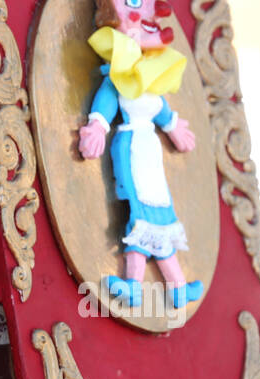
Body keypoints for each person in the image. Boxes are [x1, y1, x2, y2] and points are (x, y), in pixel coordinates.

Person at [78, 0, 200, 311]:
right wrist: (96, 126)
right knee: (141, 214)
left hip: (151, 151)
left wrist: (174, 128)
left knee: (160, 213)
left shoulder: (149, 81)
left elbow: (161, 110)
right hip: (130, 147)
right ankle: (134, 284)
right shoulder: (117, 78)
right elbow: (106, 105)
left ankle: (178, 287)